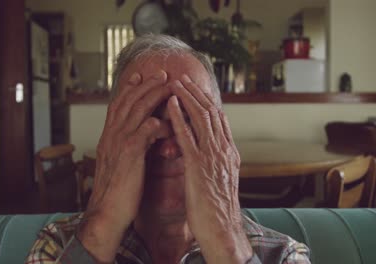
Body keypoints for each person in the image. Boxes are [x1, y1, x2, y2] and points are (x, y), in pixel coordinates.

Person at [25, 34, 310, 264]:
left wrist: (226, 243)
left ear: (222, 141)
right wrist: (102, 226)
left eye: (189, 121)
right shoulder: (58, 246)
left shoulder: (283, 256)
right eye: (146, 120)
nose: (170, 149)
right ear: (113, 135)